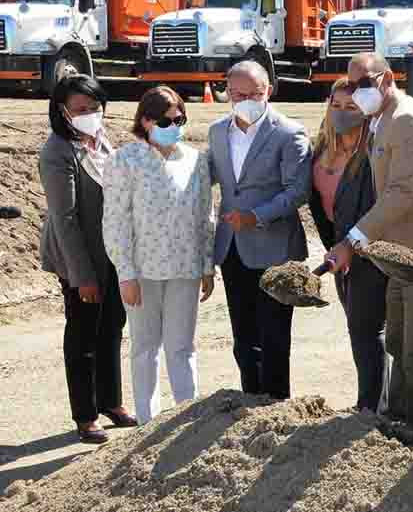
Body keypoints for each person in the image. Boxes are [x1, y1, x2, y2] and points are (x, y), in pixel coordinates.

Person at [325, 52, 413, 432]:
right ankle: (399, 422)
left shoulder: (408, 121)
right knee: (398, 343)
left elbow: (402, 193)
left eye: (365, 83)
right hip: (402, 256)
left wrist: (352, 242)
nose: (358, 93)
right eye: (352, 85)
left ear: (388, 79)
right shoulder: (379, 120)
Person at [102, 86, 214, 424]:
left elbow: (206, 215)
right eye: (169, 120)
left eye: (181, 118)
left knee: (182, 347)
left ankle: (185, 420)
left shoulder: (195, 160)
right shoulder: (124, 161)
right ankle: (147, 422)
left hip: (185, 268)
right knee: (144, 348)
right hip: (142, 271)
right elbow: (116, 219)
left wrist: (207, 266)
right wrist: (125, 273)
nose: (176, 125)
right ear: (146, 121)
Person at [39, 74, 137, 444]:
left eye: (94, 107)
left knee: (112, 325)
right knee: (83, 333)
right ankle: (85, 414)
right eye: (80, 109)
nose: (89, 114)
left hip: (111, 251)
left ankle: (111, 401)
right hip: (78, 255)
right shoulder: (57, 151)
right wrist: (83, 277)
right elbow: (65, 219)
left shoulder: (101, 141)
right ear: (62, 111)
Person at [208, 60, 311, 400]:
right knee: (244, 337)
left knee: (274, 338)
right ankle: (250, 402)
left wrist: (256, 216)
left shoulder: (288, 132)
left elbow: (297, 190)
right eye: (239, 94)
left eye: (255, 93)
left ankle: (276, 406)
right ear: (227, 92)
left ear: (268, 90)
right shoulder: (217, 131)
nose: (247, 100)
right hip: (233, 248)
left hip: (276, 248)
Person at [309, 78, 389, 413]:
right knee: (356, 327)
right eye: (336, 105)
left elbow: (377, 206)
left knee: (366, 329)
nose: (342, 113)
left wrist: (352, 246)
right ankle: (373, 400)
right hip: (338, 253)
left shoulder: (373, 151)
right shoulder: (319, 148)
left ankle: (372, 406)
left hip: (368, 251)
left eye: (352, 107)